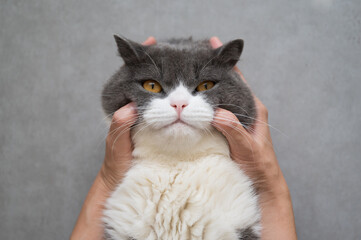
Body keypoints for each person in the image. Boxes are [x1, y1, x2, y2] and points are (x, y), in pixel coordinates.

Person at [71, 36, 297, 240]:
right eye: (153, 85)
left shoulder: (232, 201)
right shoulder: (127, 206)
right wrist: (109, 177)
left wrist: (268, 182)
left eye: (204, 85)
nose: (179, 104)